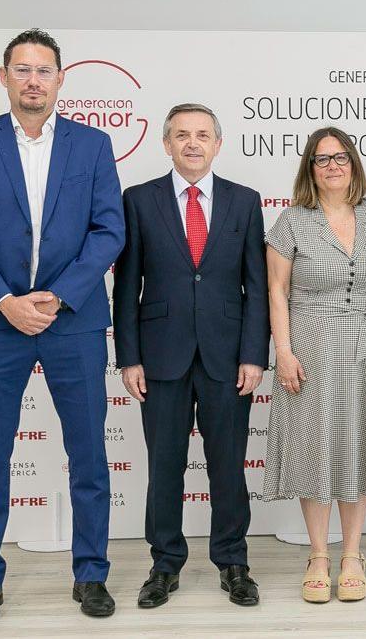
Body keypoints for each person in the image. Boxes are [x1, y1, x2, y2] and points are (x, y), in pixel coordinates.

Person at [0, 29, 123, 625]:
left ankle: (91, 573)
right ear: (4, 77)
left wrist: (56, 296)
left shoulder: (93, 146)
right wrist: (4, 300)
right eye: (22, 70)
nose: (33, 80)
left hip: (71, 320)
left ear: (61, 79)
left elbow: (108, 232)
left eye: (44, 70)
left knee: (89, 453)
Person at [113, 103, 269, 608]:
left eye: (203, 134)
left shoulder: (244, 202)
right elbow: (125, 285)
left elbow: (256, 286)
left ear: (218, 144)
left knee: (229, 466)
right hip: (160, 357)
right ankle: (164, 565)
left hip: (228, 357)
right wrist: (128, 357)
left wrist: (254, 354)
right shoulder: (138, 200)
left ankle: (233, 562)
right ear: (166, 144)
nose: (193, 143)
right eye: (182, 135)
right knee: (164, 466)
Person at [263, 127, 366, 603]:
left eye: (341, 157)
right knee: (315, 447)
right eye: (322, 160)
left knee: (358, 445)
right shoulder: (291, 221)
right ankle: (319, 554)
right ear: (310, 169)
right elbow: (276, 290)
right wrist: (283, 351)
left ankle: (352, 554)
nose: (333, 166)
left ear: (354, 164)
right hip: (310, 346)